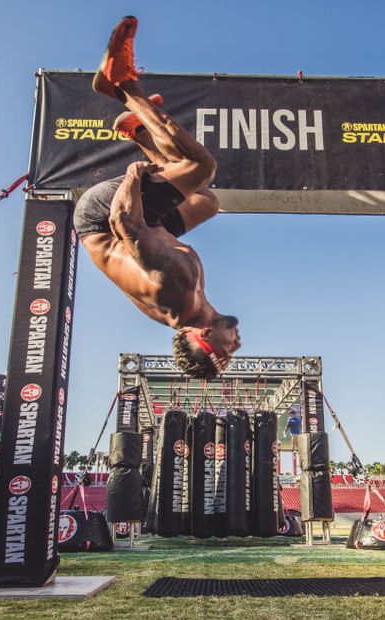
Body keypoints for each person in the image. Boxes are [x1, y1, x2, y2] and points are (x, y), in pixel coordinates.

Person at [75, 16, 240, 379]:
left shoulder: (179, 287)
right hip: (138, 228)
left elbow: (124, 222)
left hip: (106, 216)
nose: (238, 343)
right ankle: (138, 132)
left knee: (198, 166)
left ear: (206, 336)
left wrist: (133, 179)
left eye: (229, 349)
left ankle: (121, 84)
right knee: (206, 202)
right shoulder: (187, 307)